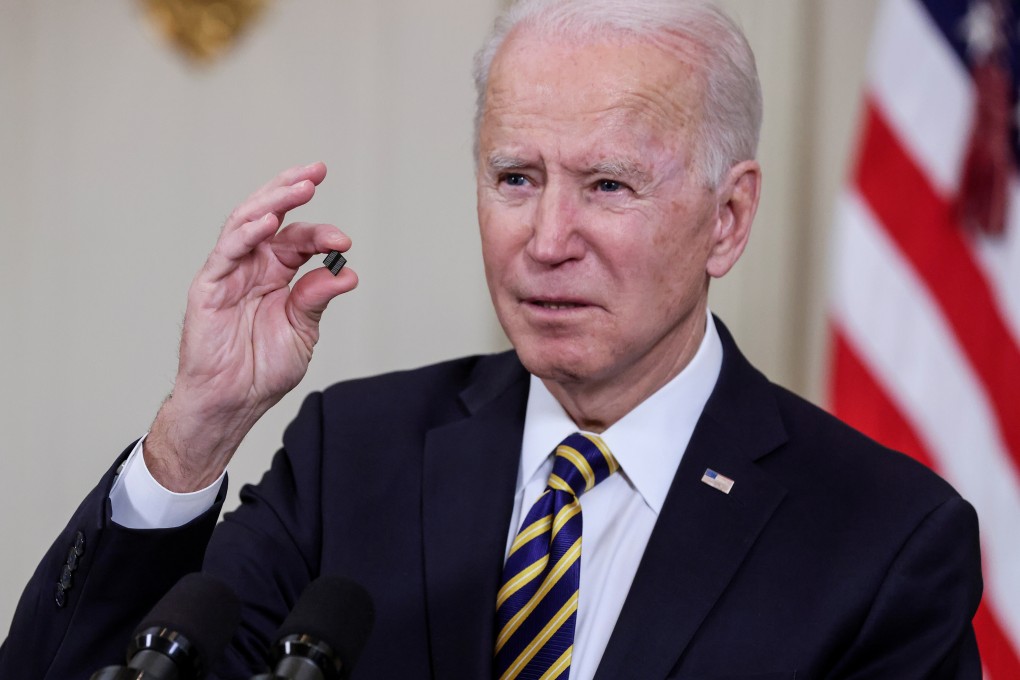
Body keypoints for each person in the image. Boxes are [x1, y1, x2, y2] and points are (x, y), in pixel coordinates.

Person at [1, 0, 983, 678]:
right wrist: (197, 430)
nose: (547, 242)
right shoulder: (357, 454)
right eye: (516, 178)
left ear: (727, 217)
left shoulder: (884, 539)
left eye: (607, 185)